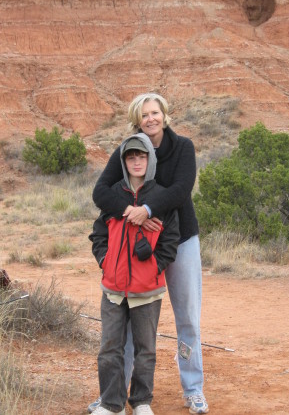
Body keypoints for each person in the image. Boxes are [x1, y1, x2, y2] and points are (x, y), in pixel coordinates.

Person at [89, 93, 209, 414]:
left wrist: (148, 209)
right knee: (129, 324)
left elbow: (181, 190)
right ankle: (114, 395)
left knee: (188, 320)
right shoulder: (127, 150)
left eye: (155, 112)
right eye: (145, 115)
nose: (151, 119)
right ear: (137, 120)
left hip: (179, 241)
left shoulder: (182, 147)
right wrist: (131, 210)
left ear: (164, 115)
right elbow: (101, 192)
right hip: (135, 253)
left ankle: (193, 387)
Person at [89, 133, 180, 415]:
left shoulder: (161, 197)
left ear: (149, 159)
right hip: (113, 288)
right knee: (110, 348)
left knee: (146, 350)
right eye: (131, 157)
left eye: (141, 156)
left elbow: (170, 240)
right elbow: (98, 234)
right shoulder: (112, 195)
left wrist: (154, 268)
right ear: (124, 161)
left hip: (147, 289)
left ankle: (141, 402)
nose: (136, 161)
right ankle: (111, 404)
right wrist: (105, 261)